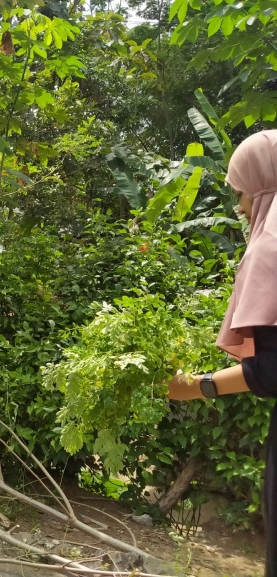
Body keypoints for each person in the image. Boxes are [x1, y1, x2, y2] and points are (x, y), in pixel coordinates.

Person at [168, 130, 277, 576]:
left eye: (242, 194)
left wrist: (195, 387)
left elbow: (271, 370)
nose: (241, 208)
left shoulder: (270, 248)